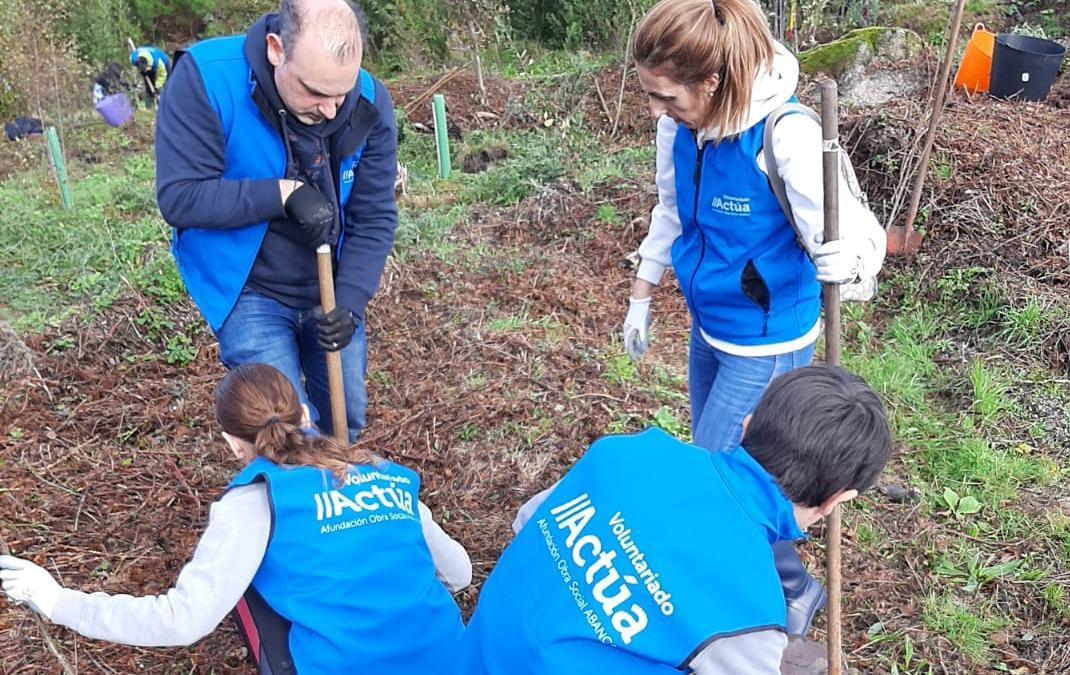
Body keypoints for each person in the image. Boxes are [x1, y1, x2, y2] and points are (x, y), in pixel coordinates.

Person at [618, 0, 885, 641]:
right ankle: (792, 588)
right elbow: (671, 211)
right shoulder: (679, 129)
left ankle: (728, 611)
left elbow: (862, 237)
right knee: (739, 480)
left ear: (712, 82)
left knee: (716, 485)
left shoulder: (783, 136)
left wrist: (849, 258)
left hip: (769, 342)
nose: (655, 110)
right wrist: (642, 293)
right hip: (710, 329)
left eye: (665, 96)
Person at [0, 363, 471, 674]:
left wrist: (56, 601)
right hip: (457, 660)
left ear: (231, 442)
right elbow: (459, 573)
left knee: (252, 589)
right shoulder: (385, 473)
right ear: (305, 413)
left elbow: (183, 621)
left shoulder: (255, 502)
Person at [451, 365, 893, 674]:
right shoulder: (748, 613)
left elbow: (527, 520)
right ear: (837, 500)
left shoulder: (623, 452)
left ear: (747, 425)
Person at [155, 0, 398, 442]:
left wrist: (350, 299)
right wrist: (281, 195)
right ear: (275, 50)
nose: (329, 110)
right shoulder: (207, 78)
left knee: (347, 422)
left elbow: (374, 214)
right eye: (314, 92)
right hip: (250, 289)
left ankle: (340, 500)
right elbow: (181, 196)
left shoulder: (368, 101)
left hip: (330, 286)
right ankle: (292, 502)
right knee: (285, 434)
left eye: (339, 94)